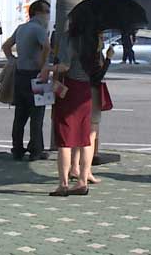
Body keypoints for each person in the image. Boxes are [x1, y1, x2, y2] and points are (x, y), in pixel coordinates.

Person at [40, 17, 100, 197]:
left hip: (70, 89)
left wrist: (49, 68)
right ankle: (82, 181)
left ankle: (63, 184)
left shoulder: (69, 38)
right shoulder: (94, 40)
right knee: (85, 137)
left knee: (65, 138)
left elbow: (65, 65)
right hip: (85, 90)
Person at [2, 0, 51, 161]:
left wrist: (13, 59)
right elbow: (47, 47)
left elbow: (6, 46)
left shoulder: (21, 28)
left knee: (20, 115)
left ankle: (17, 148)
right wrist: (43, 64)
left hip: (20, 75)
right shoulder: (39, 29)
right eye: (47, 11)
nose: (48, 15)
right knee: (37, 116)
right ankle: (36, 150)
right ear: (38, 12)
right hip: (37, 75)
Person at [71, 32, 113, 183]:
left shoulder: (79, 49)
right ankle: (86, 172)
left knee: (78, 131)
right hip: (92, 93)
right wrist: (108, 59)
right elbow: (97, 76)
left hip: (78, 92)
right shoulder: (94, 55)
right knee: (91, 133)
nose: (103, 41)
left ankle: (75, 167)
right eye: (101, 38)